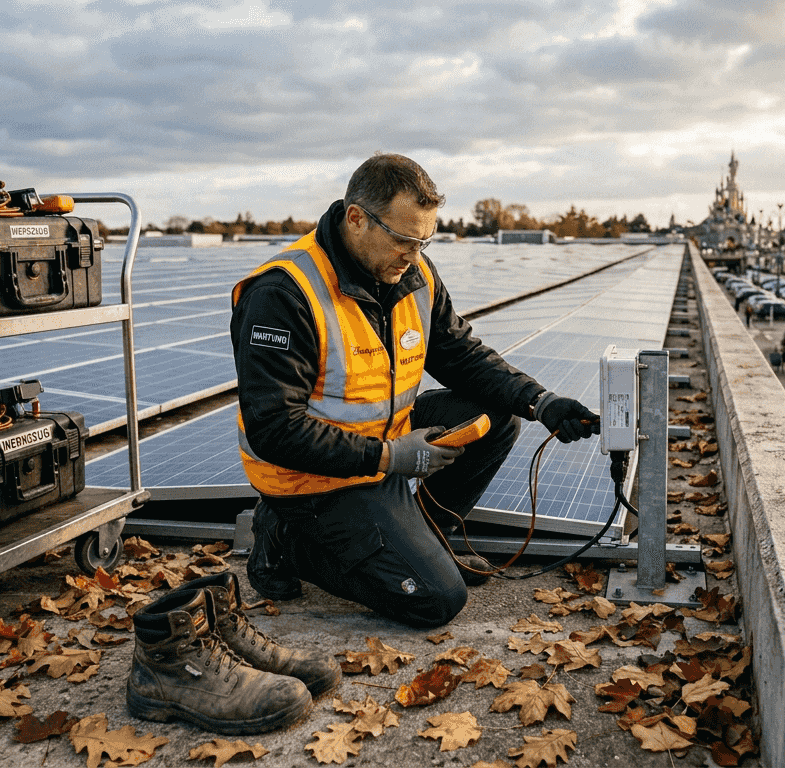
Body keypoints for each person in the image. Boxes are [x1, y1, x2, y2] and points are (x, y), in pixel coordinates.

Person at [230, 153, 600, 629]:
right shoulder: (284, 294)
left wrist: (541, 401)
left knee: (497, 415)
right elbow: (274, 429)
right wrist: (389, 457)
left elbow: (461, 355)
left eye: (425, 240)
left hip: (384, 449)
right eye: (404, 239)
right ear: (356, 219)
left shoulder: (413, 274)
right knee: (437, 600)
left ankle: (425, 538)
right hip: (309, 481)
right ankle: (284, 538)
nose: (414, 254)